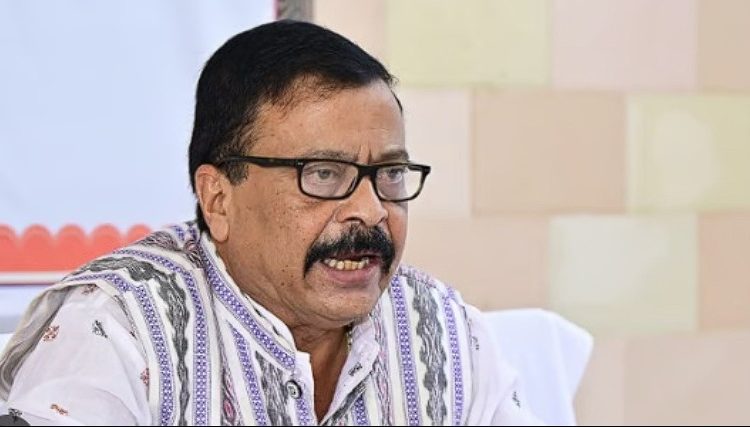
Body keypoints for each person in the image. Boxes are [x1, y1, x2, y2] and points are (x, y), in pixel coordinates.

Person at [0, 20, 539, 426]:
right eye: (324, 174)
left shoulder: (444, 331)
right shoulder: (121, 328)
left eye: (389, 174)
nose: (372, 210)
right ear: (218, 199)